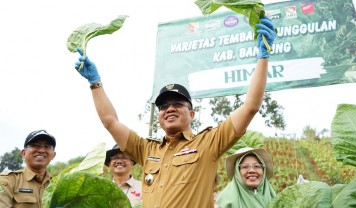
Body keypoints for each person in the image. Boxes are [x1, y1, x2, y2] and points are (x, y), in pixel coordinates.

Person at [73, 17, 276, 207]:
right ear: (159, 117)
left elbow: (250, 107)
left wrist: (263, 56)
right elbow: (110, 121)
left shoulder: (209, 143)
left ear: (192, 114)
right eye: (163, 106)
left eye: (178, 104)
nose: (169, 108)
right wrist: (95, 83)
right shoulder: (146, 150)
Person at [0, 130, 57, 208]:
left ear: (53, 155)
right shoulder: (7, 181)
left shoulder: (57, 185)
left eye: (47, 146)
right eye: (36, 145)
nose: (41, 150)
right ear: (23, 153)